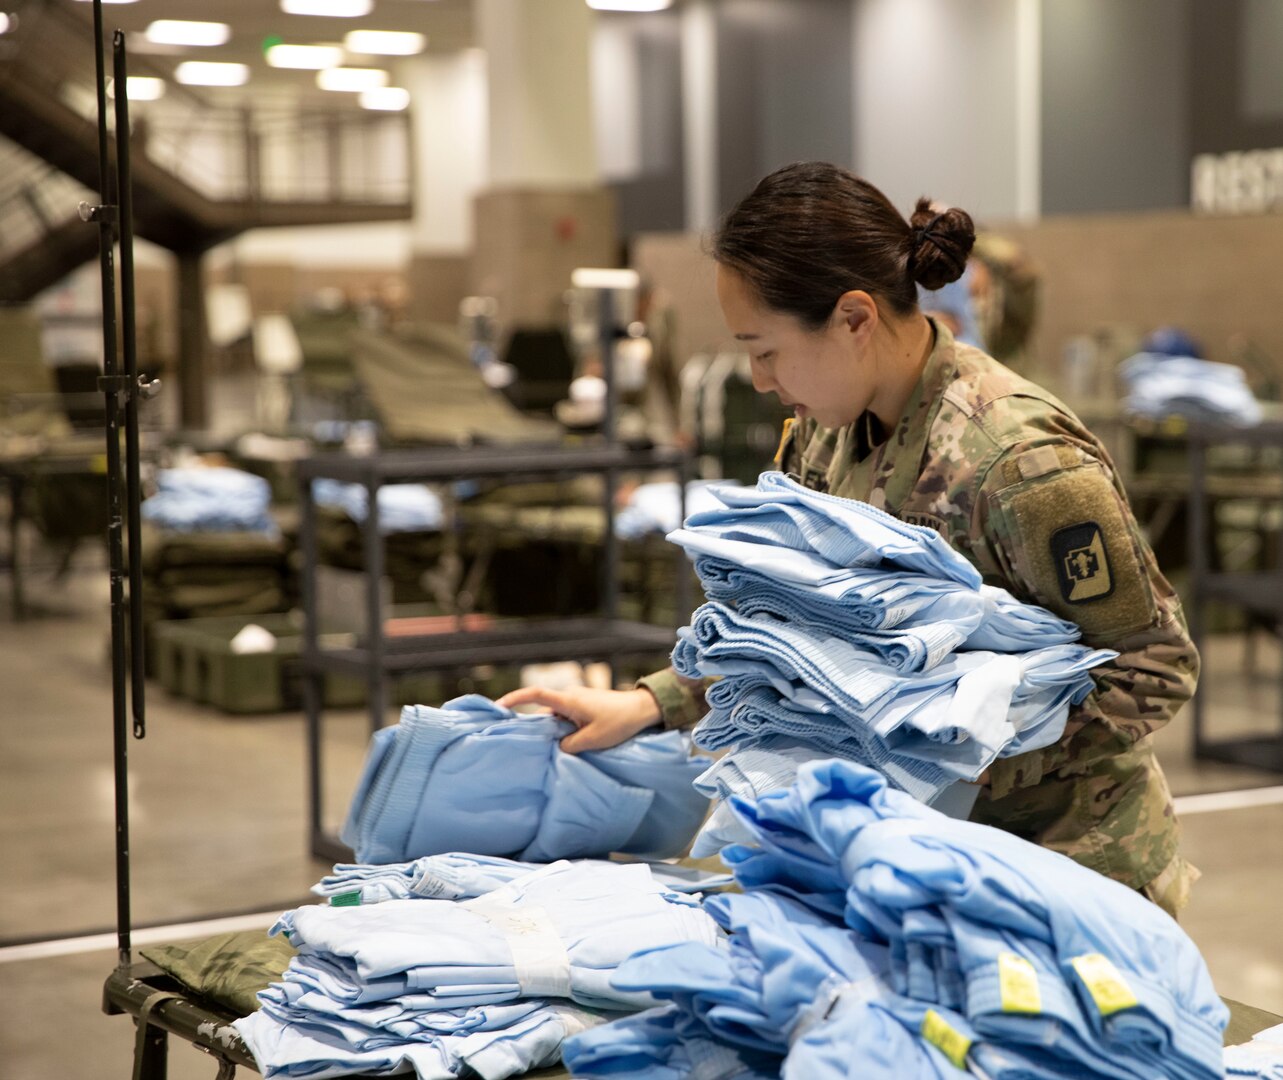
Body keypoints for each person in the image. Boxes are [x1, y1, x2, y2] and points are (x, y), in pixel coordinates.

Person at [499, 162, 1199, 917]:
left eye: (765, 350)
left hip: (1063, 874)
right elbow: (798, 634)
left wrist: (947, 755)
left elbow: (1154, 666)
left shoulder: (1016, 462)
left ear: (855, 319)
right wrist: (649, 702)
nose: (758, 379)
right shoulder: (823, 438)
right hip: (908, 855)